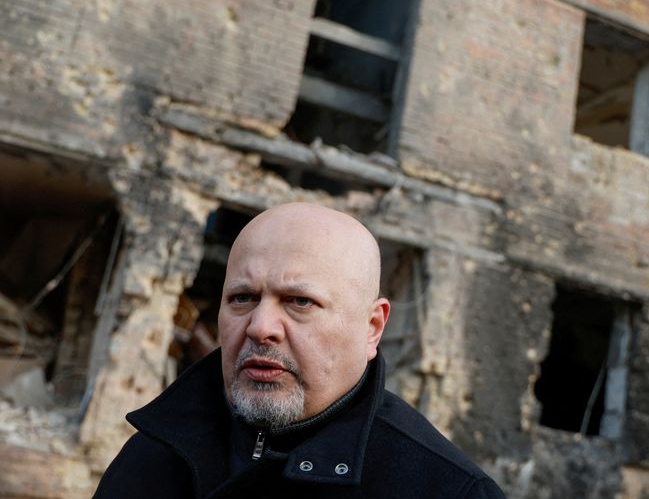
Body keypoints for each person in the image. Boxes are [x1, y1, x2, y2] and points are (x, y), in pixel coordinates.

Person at [94, 202, 505, 498]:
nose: (260, 327)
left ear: (372, 327)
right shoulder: (156, 450)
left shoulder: (446, 490)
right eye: (242, 298)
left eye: (300, 302)